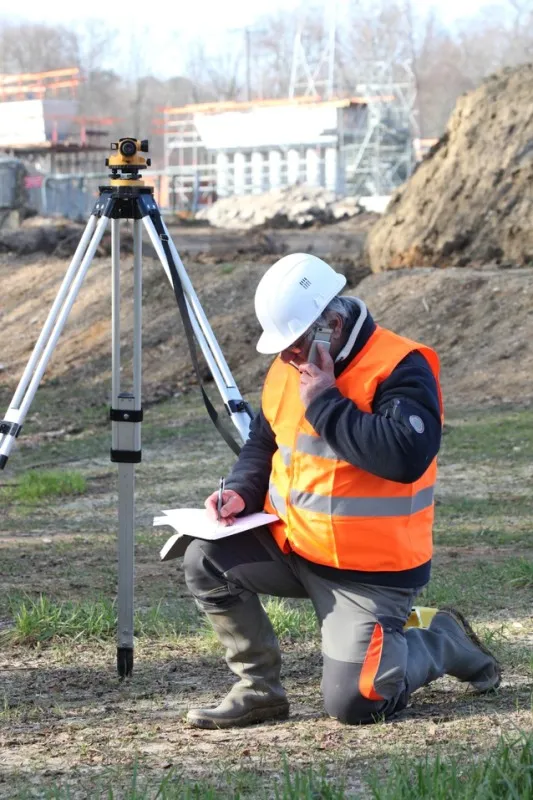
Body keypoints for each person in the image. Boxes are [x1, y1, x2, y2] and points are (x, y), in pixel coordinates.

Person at [183, 253, 500, 729]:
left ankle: (439, 638)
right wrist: (242, 492)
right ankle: (259, 689)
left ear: (331, 323)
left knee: (354, 704)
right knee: (203, 558)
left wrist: (326, 403)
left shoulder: (399, 366)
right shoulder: (290, 366)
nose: (287, 357)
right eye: (281, 349)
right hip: (294, 547)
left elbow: (405, 457)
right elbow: (264, 443)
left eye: (294, 345)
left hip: (370, 573)